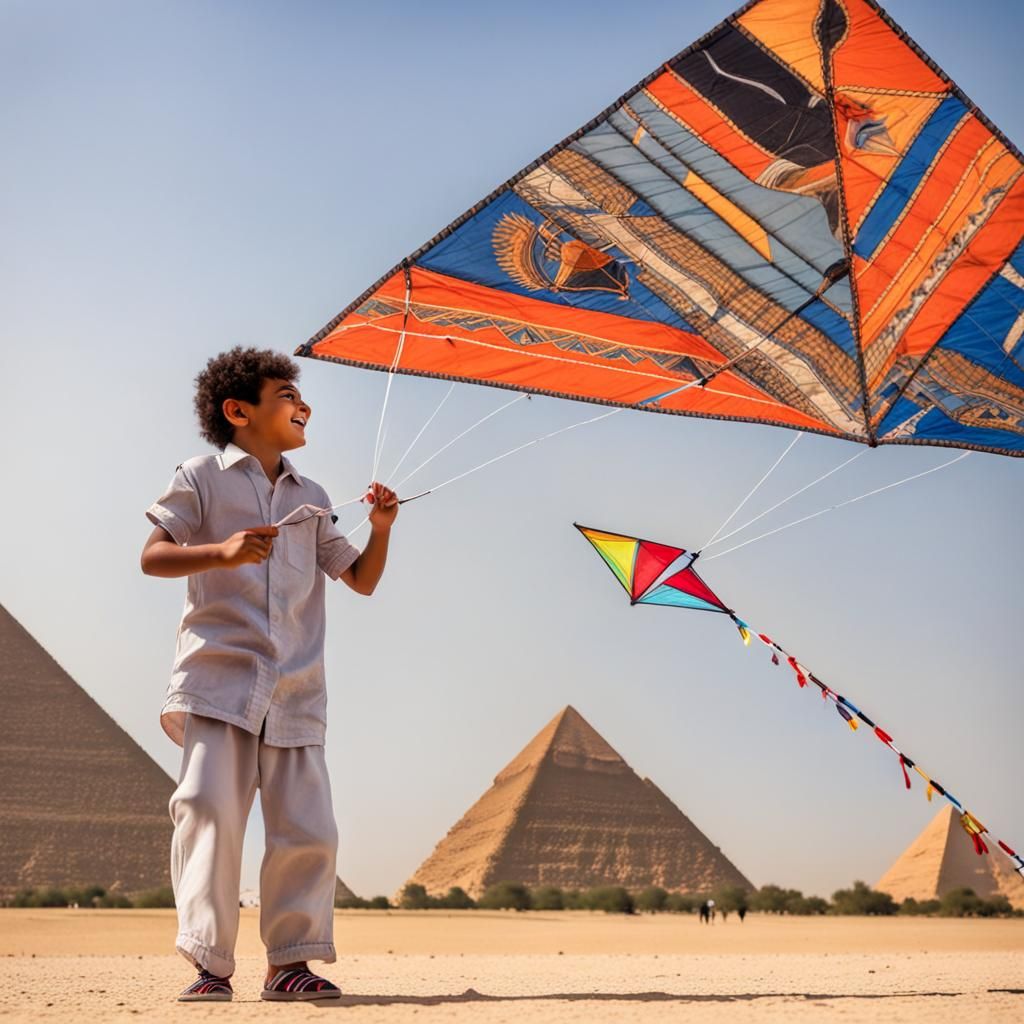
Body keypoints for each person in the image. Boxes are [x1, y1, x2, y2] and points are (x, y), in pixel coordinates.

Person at [141, 347, 398, 1003]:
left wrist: (381, 527)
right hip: (219, 681)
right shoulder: (200, 476)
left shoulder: (313, 498)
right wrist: (222, 551)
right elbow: (154, 556)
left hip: (296, 690)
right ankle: (209, 965)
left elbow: (360, 579)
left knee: (309, 829)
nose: (303, 405)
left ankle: (290, 963)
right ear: (239, 411)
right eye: (287, 395)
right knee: (207, 813)